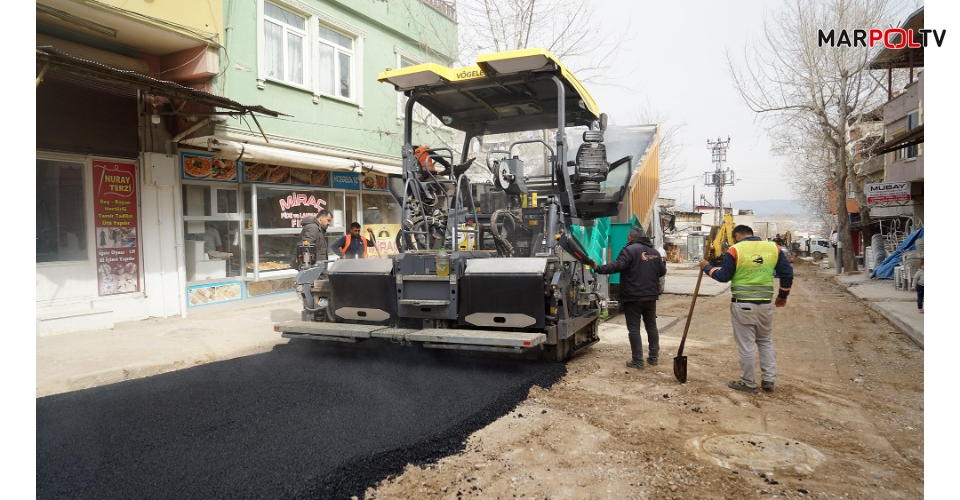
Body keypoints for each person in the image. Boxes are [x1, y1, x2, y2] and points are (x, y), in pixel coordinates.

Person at [699, 224, 793, 394]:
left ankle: (749, 383)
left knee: (747, 345)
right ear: (752, 234)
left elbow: (723, 276)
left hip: (743, 304)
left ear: (737, 236)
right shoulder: (773, 248)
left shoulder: (735, 250)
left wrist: (706, 267)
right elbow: (787, 273)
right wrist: (783, 296)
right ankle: (769, 380)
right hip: (765, 305)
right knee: (765, 341)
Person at [587, 227, 667, 369]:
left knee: (634, 329)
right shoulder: (654, 253)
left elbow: (617, 266)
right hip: (650, 296)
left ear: (630, 237)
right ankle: (653, 358)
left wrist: (598, 268)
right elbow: (662, 271)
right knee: (651, 327)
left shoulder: (629, 250)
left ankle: (637, 361)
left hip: (633, 296)